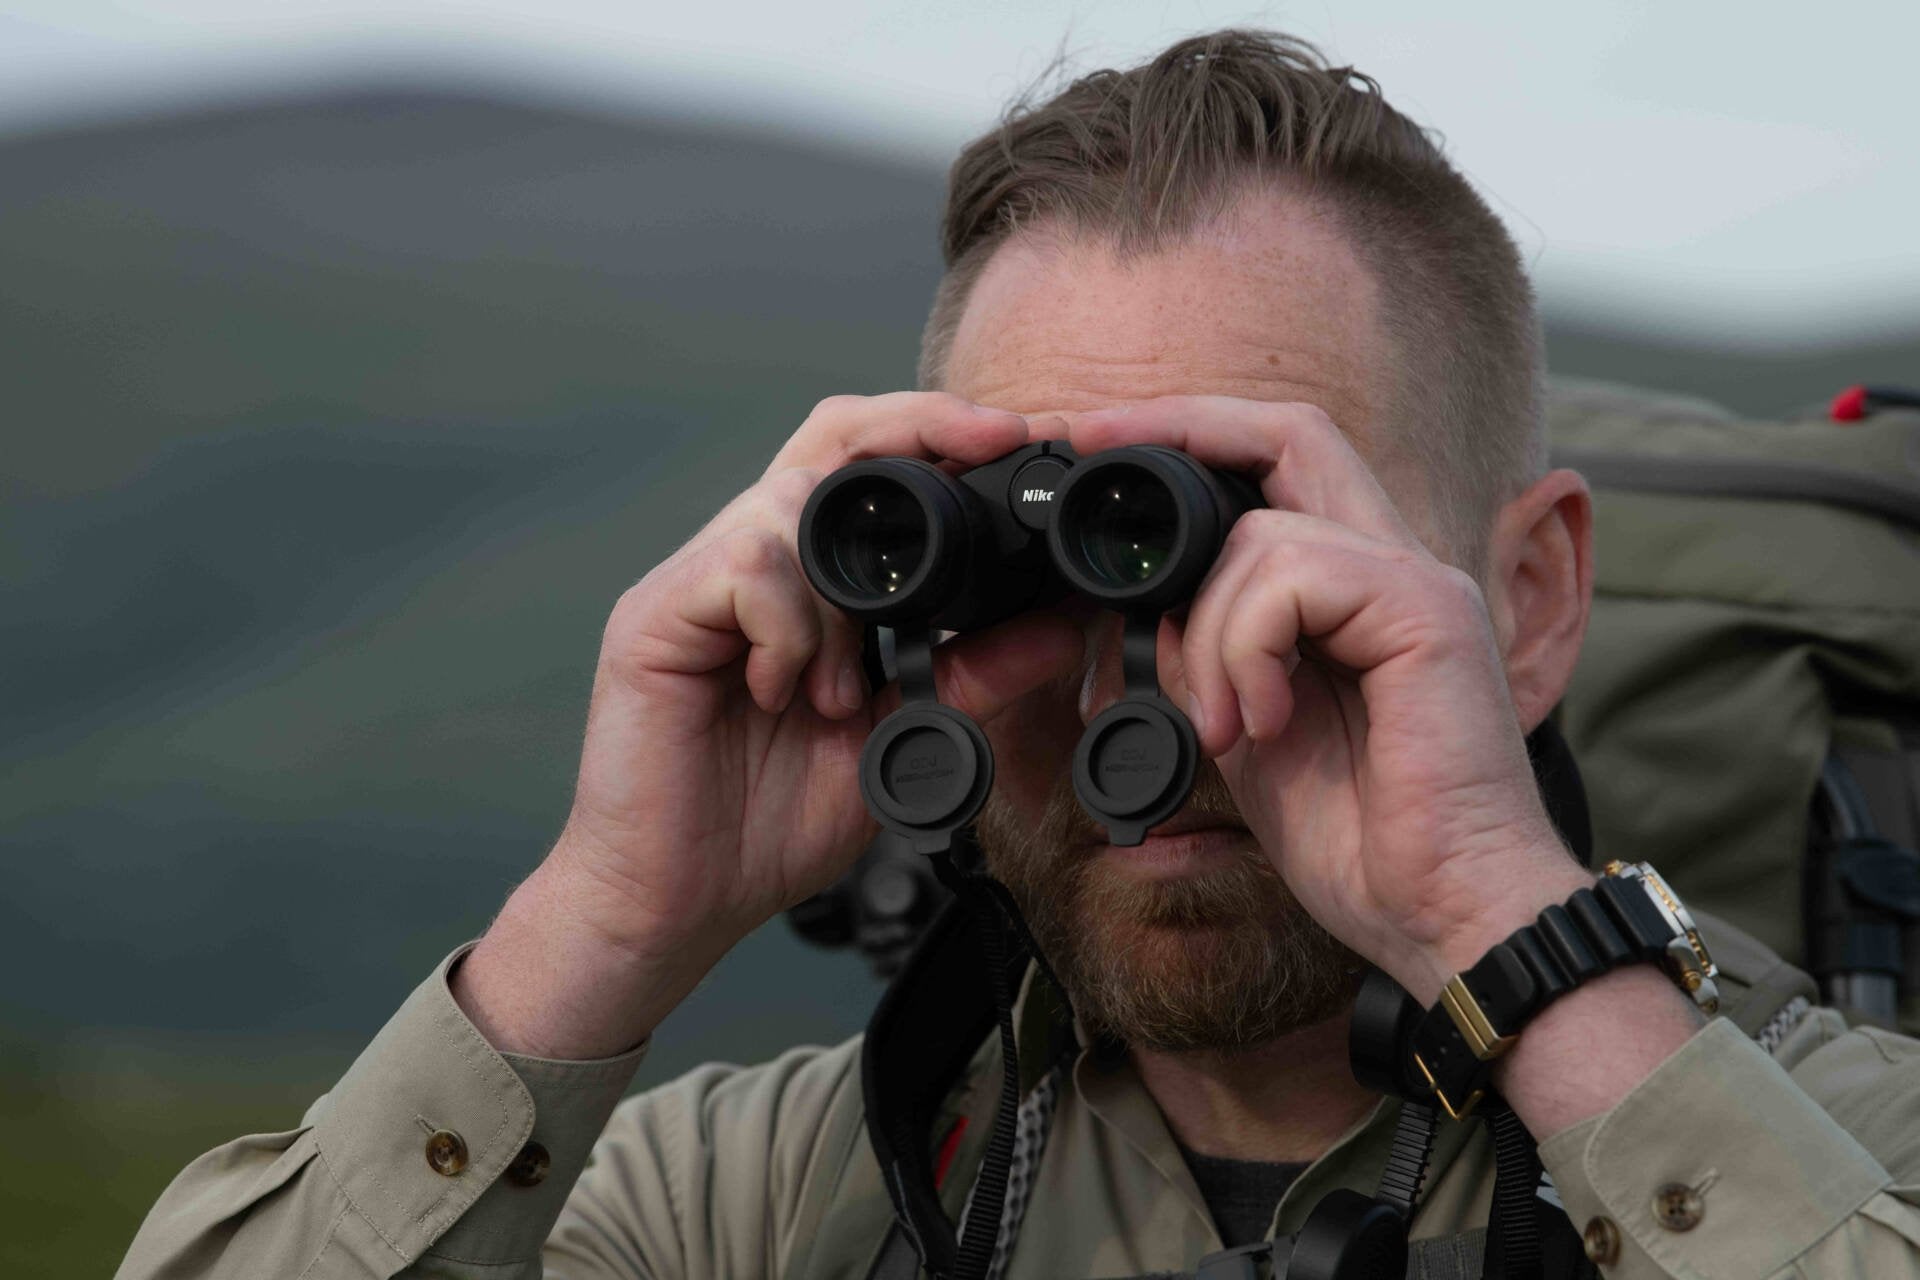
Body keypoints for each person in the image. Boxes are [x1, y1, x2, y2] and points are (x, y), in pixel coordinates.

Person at [120, 28, 1920, 1280]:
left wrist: (1511, 939)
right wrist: (601, 921)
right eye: (1030, 560)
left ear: (1524, 604)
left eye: (1241, 542)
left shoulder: (1855, 1147)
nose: (1138, 678)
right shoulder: (751, 1205)